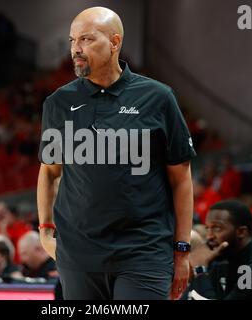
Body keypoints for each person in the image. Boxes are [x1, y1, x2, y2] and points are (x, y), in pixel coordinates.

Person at [37, 7, 196, 300]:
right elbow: (49, 171)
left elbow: (181, 179)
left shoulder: (158, 98)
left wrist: (182, 250)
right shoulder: (58, 103)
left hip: (143, 253)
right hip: (78, 257)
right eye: (72, 40)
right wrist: (46, 232)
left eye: (85, 39)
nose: (75, 49)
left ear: (114, 42)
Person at [186, 200, 252, 300]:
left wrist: (200, 270)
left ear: (241, 232)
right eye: (207, 228)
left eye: (217, 228)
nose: (209, 236)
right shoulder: (220, 260)